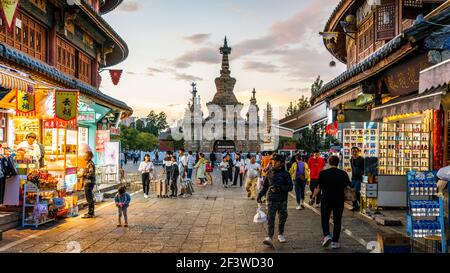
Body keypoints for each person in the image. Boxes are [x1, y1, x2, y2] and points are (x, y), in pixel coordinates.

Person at [311, 156, 351, 250]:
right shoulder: (343, 174)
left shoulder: (323, 173)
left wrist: (313, 198)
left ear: (329, 162)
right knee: (337, 220)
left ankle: (327, 236)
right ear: (338, 163)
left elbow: (318, 187)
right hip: (339, 200)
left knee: (325, 218)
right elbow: (348, 187)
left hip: (326, 199)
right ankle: (335, 242)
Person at [257, 154, 293, 247]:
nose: (273, 163)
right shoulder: (269, 172)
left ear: (281, 163)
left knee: (282, 218)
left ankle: (280, 234)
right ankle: (269, 237)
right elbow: (265, 187)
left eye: (275, 161)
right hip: (271, 200)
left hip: (282, 201)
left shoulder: (286, 174)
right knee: (270, 218)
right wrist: (260, 195)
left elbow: (290, 187)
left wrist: (279, 188)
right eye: (273, 161)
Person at [79, 151, 96, 219]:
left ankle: (91, 213)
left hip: (89, 182)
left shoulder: (90, 164)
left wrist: (83, 174)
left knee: (89, 198)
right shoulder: (88, 163)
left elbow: (91, 174)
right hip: (88, 182)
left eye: (85, 155)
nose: (84, 156)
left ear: (89, 157)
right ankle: (90, 212)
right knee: (88, 198)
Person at [350, 147, 364, 211]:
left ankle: (362, 204)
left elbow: (364, 169)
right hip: (353, 178)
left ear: (358, 151)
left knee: (356, 191)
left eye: (356, 151)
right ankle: (356, 206)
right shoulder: (351, 159)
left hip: (359, 178)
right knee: (351, 192)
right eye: (353, 151)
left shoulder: (362, 159)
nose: (354, 153)